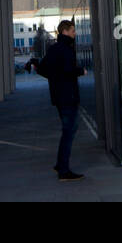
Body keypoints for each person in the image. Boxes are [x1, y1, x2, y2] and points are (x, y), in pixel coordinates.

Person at [37, 20, 85, 181]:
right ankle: (63, 170)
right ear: (64, 32)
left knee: (69, 129)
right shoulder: (66, 50)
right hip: (68, 96)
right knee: (69, 131)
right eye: (72, 31)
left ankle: (60, 164)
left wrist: (55, 80)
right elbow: (68, 70)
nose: (75, 33)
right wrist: (80, 71)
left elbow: (42, 68)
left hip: (59, 96)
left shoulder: (54, 49)